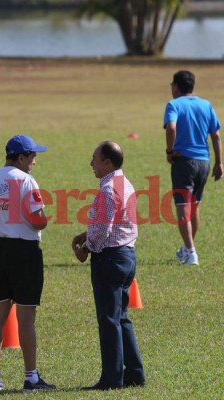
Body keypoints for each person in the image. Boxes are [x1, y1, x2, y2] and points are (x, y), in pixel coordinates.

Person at [0, 135, 56, 394]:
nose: (34, 162)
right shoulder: (26, 181)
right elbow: (37, 221)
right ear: (20, 157)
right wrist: (43, 220)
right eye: (32, 157)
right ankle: (30, 378)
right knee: (26, 317)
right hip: (25, 251)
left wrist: (2, 222)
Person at [72, 141, 145, 391]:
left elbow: (104, 228)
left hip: (110, 259)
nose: (91, 163)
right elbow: (117, 222)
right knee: (121, 318)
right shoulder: (125, 184)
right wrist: (87, 233)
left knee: (109, 320)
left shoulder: (107, 189)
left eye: (94, 159)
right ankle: (135, 373)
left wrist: (87, 248)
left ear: (107, 162)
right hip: (127, 255)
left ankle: (111, 379)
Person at [163, 70, 224, 266]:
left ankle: (190, 252)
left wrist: (170, 151)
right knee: (194, 207)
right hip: (204, 163)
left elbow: (171, 128)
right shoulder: (206, 105)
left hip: (184, 163)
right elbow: (216, 135)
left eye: (172, 85)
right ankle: (187, 248)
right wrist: (219, 162)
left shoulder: (173, 105)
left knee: (182, 208)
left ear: (176, 87)